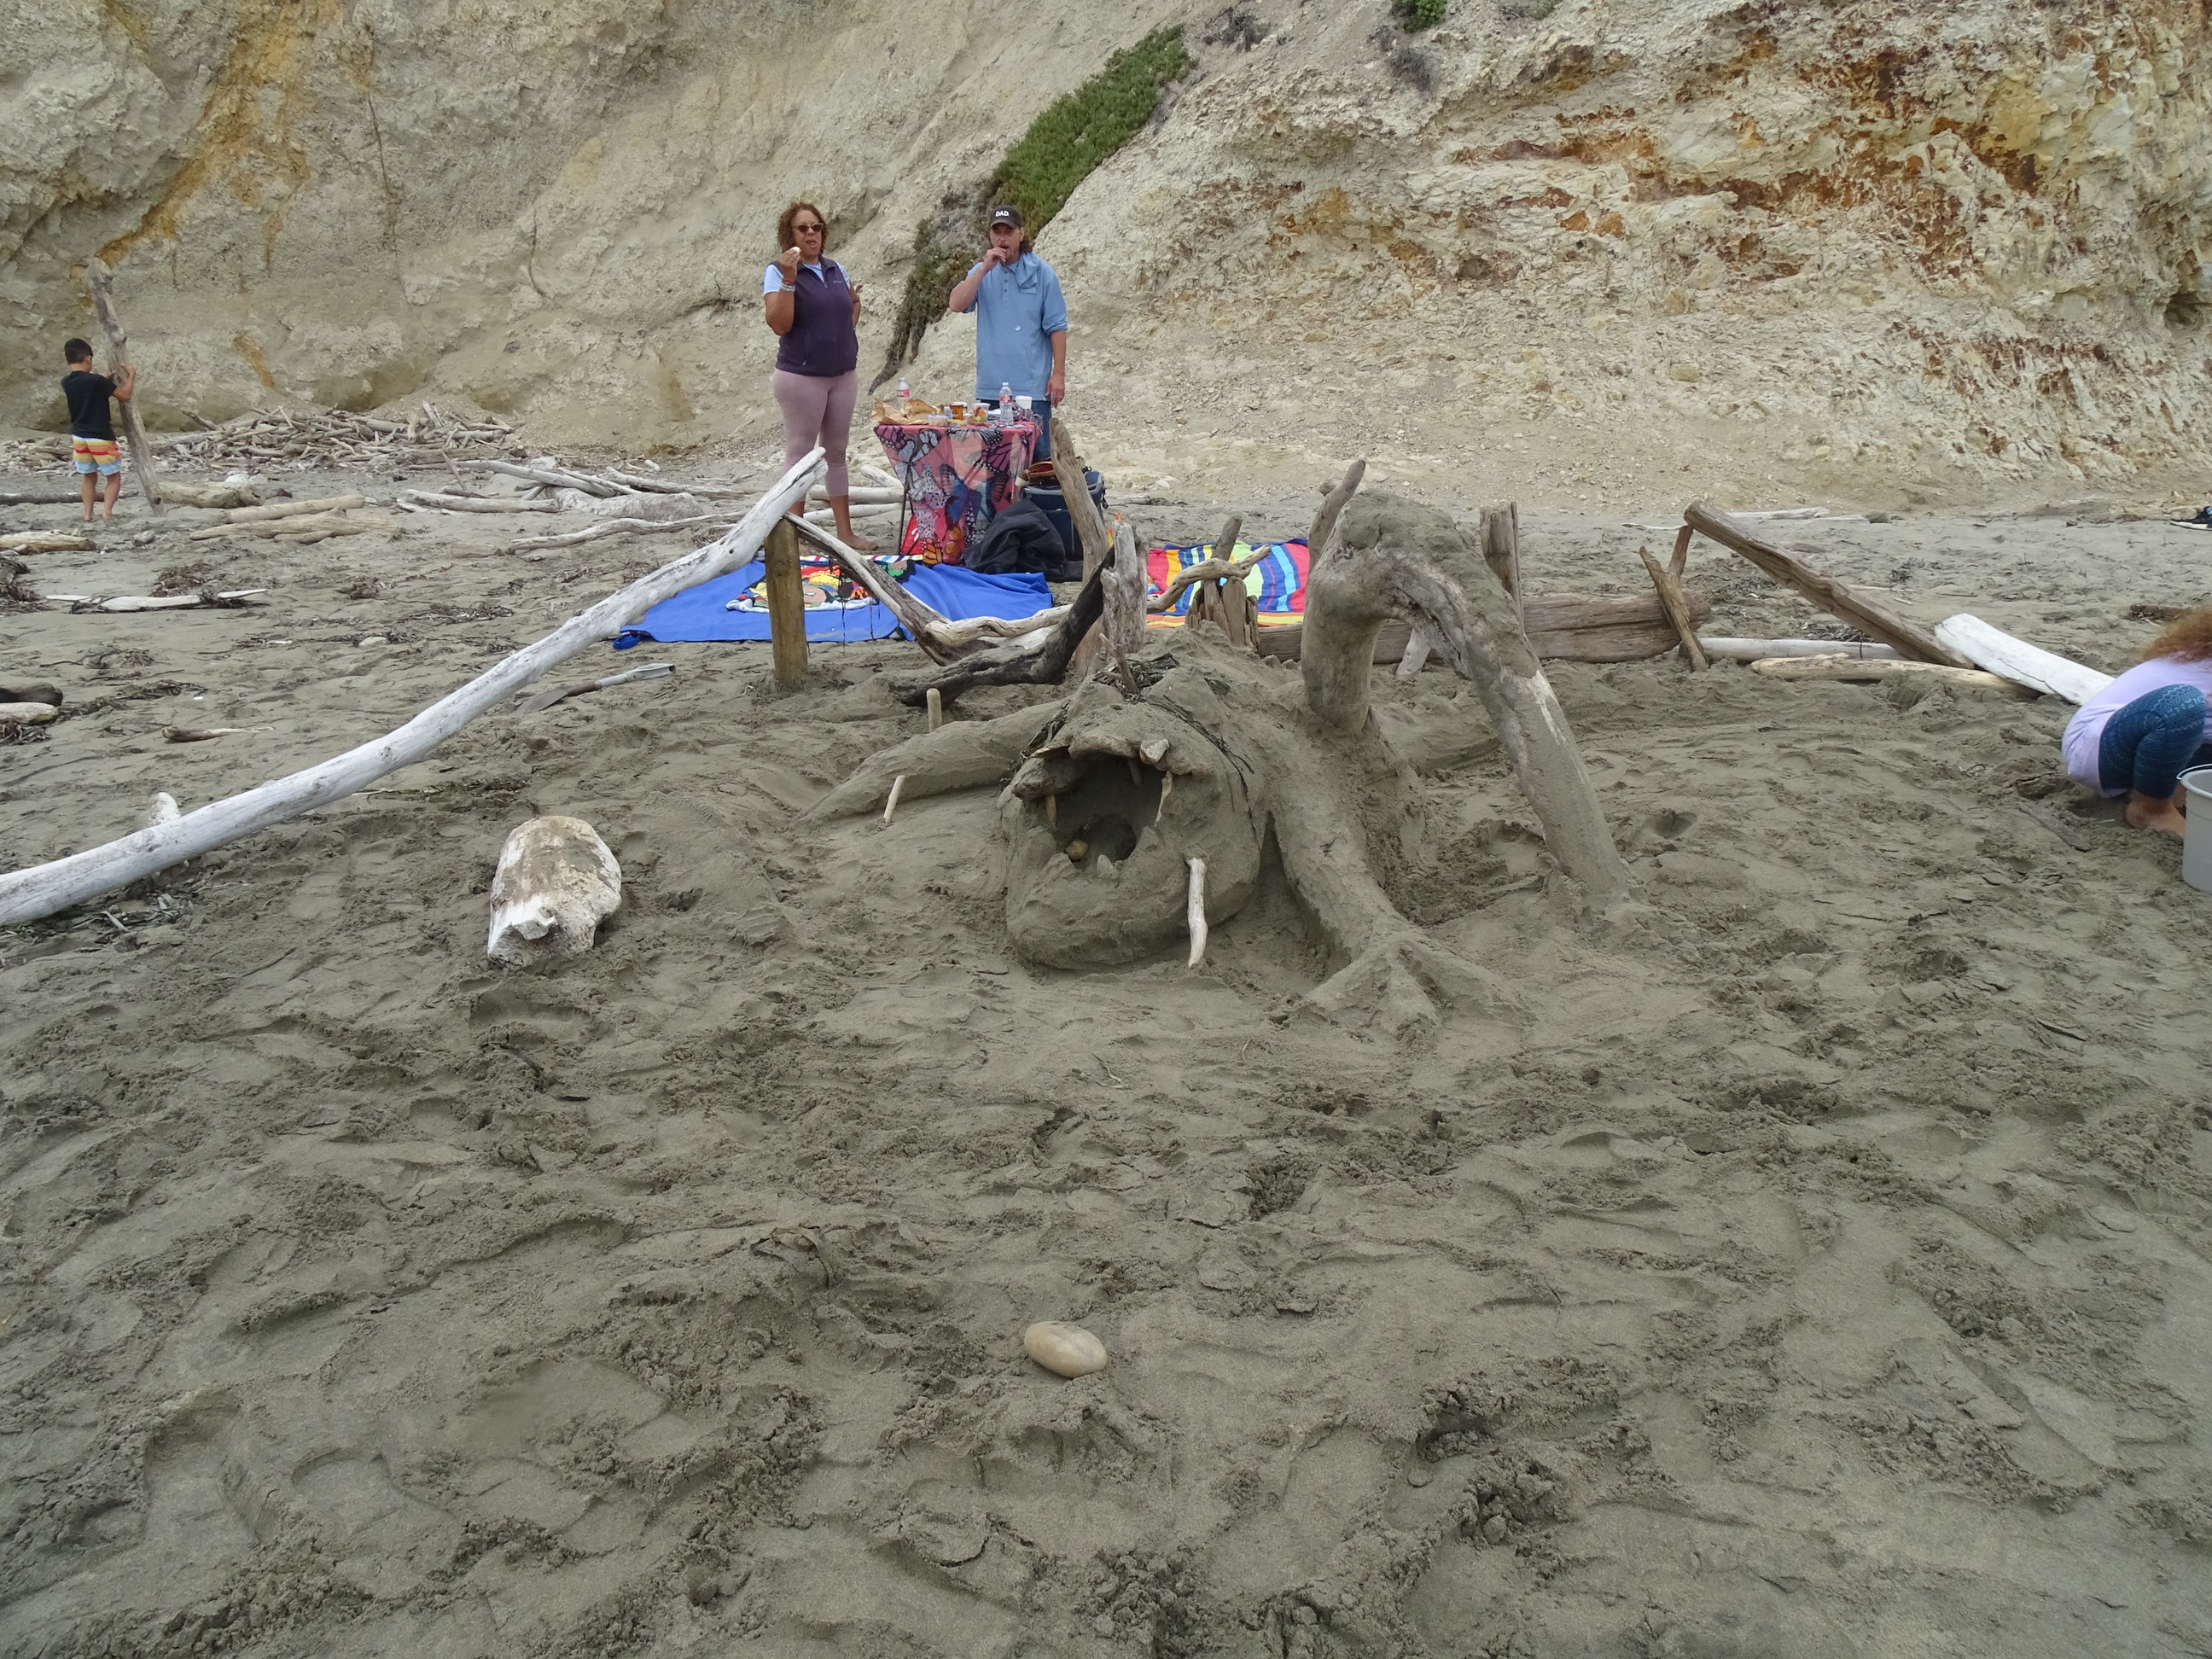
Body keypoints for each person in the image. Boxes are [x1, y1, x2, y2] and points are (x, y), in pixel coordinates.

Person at [762, 201, 871, 548]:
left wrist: (843, 332)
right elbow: (779, 324)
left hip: (842, 374)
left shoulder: (836, 268)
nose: (811, 233)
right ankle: (792, 536)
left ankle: (845, 533)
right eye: (803, 228)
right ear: (789, 235)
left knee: (836, 454)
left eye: (817, 227)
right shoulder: (777, 272)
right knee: (800, 456)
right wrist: (791, 280)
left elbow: (852, 303)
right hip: (801, 376)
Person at [2062, 603, 2212, 835]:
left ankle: (2163, 789)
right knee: (2183, 703)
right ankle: (2152, 809)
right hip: (2100, 746)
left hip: (2153, 746)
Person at [947, 206, 1067, 462]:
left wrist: (1058, 374)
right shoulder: (982, 273)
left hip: (1032, 391)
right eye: (997, 232)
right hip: (991, 390)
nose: (1002, 239)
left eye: (1008, 232)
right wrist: (982, 270)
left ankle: (1037, 503)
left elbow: (1057, 327)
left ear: (1021, 234)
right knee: (994, 464)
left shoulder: (1043, 274)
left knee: (1037, 460)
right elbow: (956, 304)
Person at [61, 337, 133, 521]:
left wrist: (106, 382)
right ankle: (107, 513)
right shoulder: (97, 381)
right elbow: (124, 396)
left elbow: (91, 390)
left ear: (68, 360)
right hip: (100, 436)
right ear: (88, 358)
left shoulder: (66, 382)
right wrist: (131, 377)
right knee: (113, 477)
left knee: (89, 477)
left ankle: (87, 514)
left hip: (79, 436)